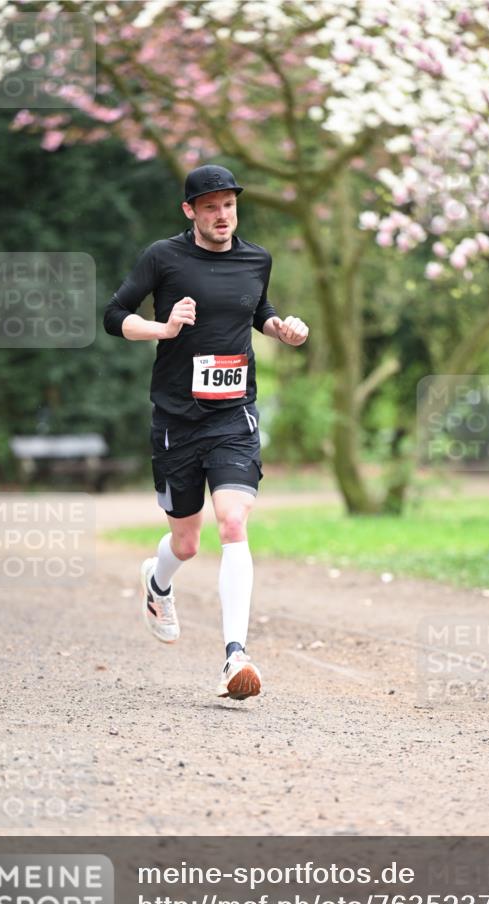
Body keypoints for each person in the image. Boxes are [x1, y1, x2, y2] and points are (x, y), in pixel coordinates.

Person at [103, 164, 309, 701]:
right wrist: (163, 328)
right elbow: (114, 314)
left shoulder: (256, 258)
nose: (223, 216)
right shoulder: (163, 258)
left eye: (230, 205)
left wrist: (280, 328)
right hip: (176, 419)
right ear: (190, 211)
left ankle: (234, 655)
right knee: (188, 542)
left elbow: (256, 308)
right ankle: (158, 582)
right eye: (211, 206)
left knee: (233, 520)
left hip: (233, 414)